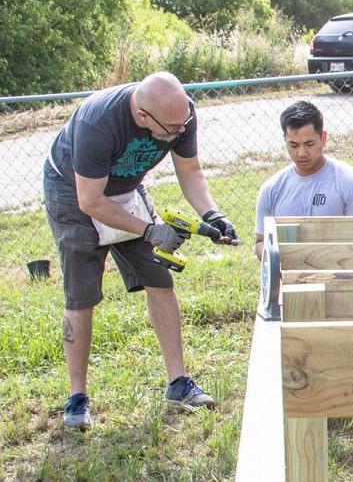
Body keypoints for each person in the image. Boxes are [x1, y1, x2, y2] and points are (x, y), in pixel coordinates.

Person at [44, 72, 237, 430]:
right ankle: (77, 397)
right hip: (74, 192)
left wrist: (213, 214)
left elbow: (191, 170)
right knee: (82, 294)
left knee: (159, 279)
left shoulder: (180, 114)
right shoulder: (97, 124)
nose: (180, 132)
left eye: (184, 124)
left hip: (126, 188)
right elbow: (90, 201)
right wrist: (150, 230)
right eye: (172, 128)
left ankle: (178, 383)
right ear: (144, 116)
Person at [254, 100, 353, 259]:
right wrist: (275, 256)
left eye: (309, 144)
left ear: (323, 138)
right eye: (293, 145)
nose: (301, 153)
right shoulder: (271, 189)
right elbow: (260, 241)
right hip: (288, 281)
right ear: (285, 140)